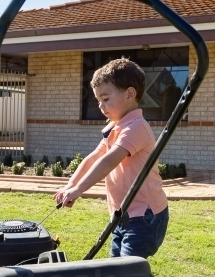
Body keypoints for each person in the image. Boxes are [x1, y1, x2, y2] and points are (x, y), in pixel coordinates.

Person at [54, 57, 169, 258]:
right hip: (121, 216)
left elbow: (108, 161)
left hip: (145, 216)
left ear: (130, 94)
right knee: (115, 272)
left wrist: (79, 190)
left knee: (127, 273)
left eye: (105, 99)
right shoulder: (116, 127)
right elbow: (95, 156)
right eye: (98, 100)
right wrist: (70, 186)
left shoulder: (136, 127)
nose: (100, 105)